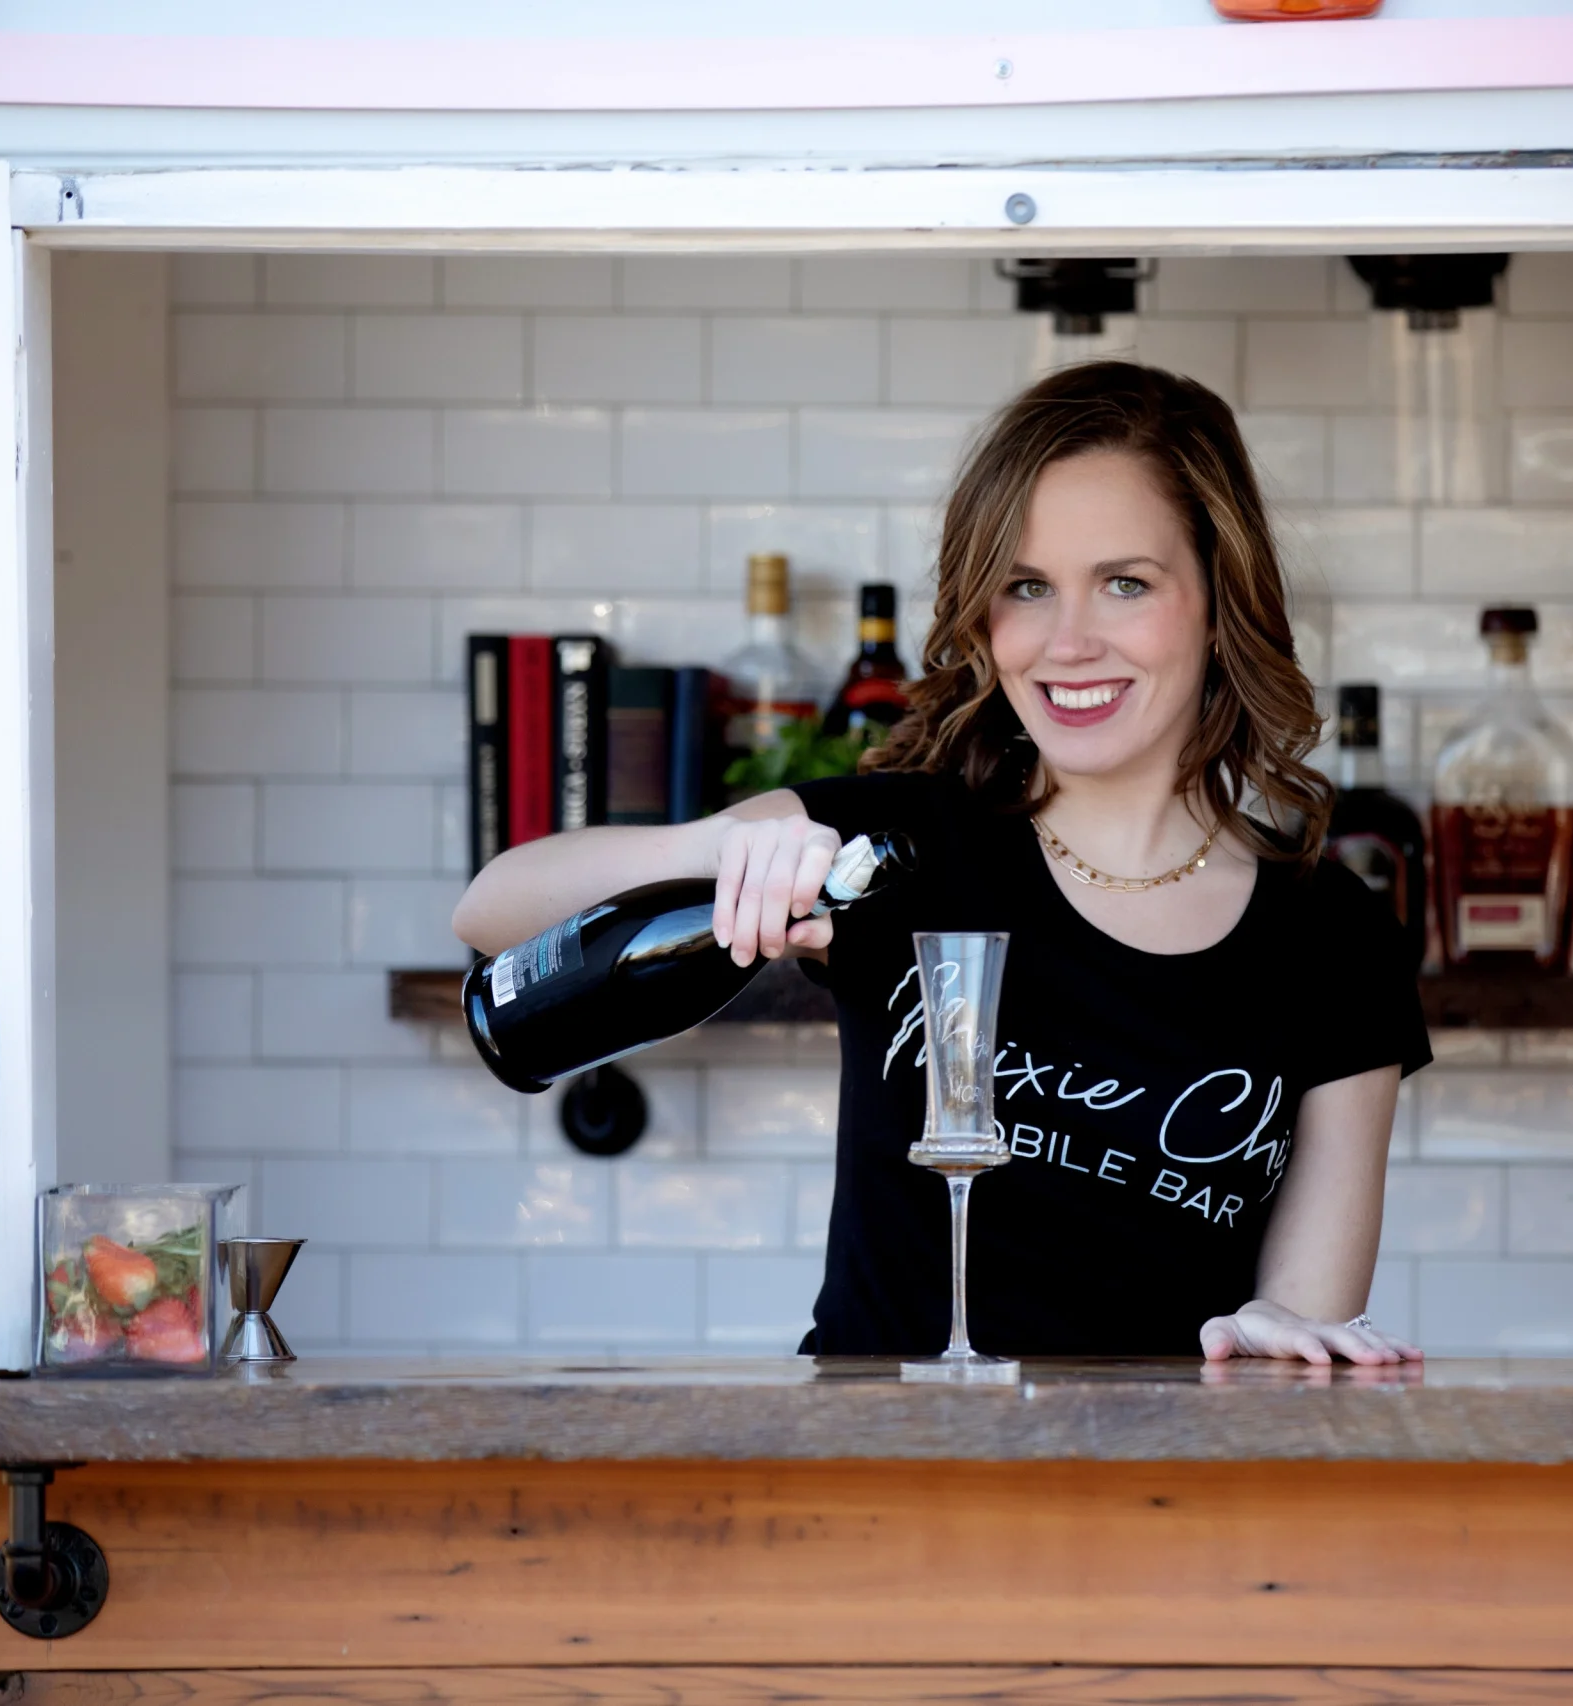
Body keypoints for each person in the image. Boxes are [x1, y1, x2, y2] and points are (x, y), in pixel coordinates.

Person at [455, 361, 1430, 1363]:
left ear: (1221, 601)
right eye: (1026, 587)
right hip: (877, 1449)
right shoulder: (895, 845)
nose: (1067, 641)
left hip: (1156, 1457)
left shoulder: (1338, 937)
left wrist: (1278, 1341)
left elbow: (1299, 1323)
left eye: (1125, 584)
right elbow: (491, 910)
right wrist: (720, 846)